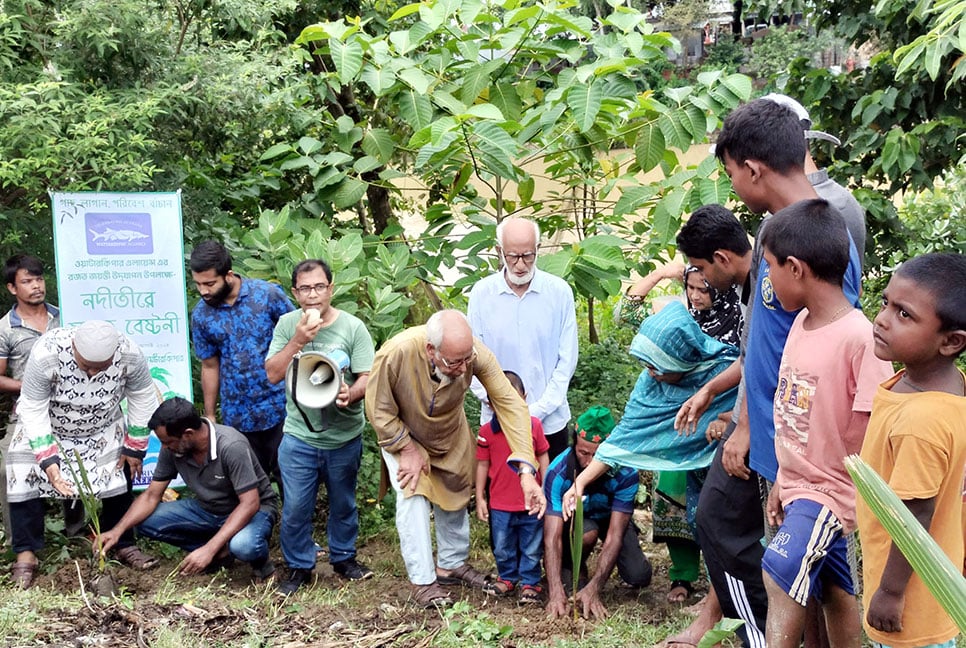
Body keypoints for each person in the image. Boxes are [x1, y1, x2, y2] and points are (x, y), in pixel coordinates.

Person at [693, 96, 866, 647]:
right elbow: (766, 344)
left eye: (729, 175)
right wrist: (747, 421)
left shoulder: (823, 236)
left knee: (802, 578)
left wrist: (795, 453)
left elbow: (835, 357)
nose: (732, 187)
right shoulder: (773, 231)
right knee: (810, 583)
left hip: (811, 455)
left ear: (751, 169)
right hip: (780, 447)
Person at [758, 200, 893, 648]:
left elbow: (873, 426)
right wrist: (784, 478)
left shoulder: (859, 337)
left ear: (795, 268)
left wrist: (853, 498)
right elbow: (794, 415)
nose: (768, 280)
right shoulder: (800, 323)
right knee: (838, 591)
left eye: (770, 268)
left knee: (780, 570)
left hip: (831, 493)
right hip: (801, 486)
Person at [365, 309, 544, 608]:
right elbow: (378, 409)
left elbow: (511, 404)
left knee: (456, 488)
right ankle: (422, 581)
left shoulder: (475, 355)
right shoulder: (396, 353)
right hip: (403, 434)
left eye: (466, 360)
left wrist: (526, 469)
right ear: (430, 350)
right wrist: (407, 449)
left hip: (450, 430)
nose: (463, 369)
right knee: (413, 497)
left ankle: (450, 564)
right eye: (454, 362)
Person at [566, 301, 739, 603]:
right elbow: (623, 438)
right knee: (687, 518)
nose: (650, 373)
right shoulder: (649, 386)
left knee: (721, 527)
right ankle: (699, 588)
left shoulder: (724, 371)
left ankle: (723, 599)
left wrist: (725, 422)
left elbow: (752, 408)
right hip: (682, 469)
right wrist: (580, 482)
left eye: (657, 367)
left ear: (681, 360)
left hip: (724, 466)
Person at [857, 252, 966, 648]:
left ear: (951, 342)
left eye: (905, 314)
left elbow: (915, 512)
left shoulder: (923, 422)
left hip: (913, 607)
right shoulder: (933, 384)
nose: (883, 318)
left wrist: (890, 592)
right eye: (886, 303)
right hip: (925, 584)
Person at [6, 320, 161, 588]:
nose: (91, 372)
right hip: (49, 426)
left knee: (121, 470)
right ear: (74, 346)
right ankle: (26, 553)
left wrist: (135, 446)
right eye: (86, 365)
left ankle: (123, 543)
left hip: (102, 427)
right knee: (21, 471)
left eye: (99, 368)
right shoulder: (46, 353)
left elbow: (143, 396)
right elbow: (32, 407)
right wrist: (47, 458)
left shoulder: (130, 354)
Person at [265, 259, 375, 595]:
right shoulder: (286, 325)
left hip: (343, 435)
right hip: (299, 435)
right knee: (297, 505)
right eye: (305, 289)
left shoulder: (353, 327)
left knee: (344, 502)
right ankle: (299, 565)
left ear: (331, 288)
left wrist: (351, 393)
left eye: (319, 287)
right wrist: (297, 340)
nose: (313, 295)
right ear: (295, 292)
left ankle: (343, 557)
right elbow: (272, 373)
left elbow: (368, 377)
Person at [95, 397, 279, 582]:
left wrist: (209, 548)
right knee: (144, 519)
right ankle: (220, 554)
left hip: (254, 510)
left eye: (168, 442)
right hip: (209, 509)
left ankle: (261, 566)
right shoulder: (173, 448)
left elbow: (250, 503)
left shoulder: (231, 446)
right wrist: (117, 531)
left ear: (188, 434)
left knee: (244, 545)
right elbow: (151, 495)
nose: (164, 447)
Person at [467, 217, 578, 459]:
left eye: (528, 256)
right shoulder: (482, 294)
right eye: (512, 256)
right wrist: (499, 403)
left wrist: (538, 410)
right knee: (501, 492)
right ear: (499, 251)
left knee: (551, 492)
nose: (520, 265)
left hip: (550, 422)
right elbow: (471, 358)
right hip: (497, 421)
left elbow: (567, 360)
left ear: (538, 249)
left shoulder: (559, 293)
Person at [189, 240, 294, 481]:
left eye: (209, 283)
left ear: (228, 275)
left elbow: (296, 334)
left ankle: (292, 520)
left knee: (289, 479)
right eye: (198, 284)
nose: (203, 290)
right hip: (238, 415)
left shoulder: (267, 296)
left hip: (281, 408)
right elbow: (209, 365)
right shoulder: (202, 315)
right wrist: (210, 415)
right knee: (249, 484)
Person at [546, 406, 652, 620]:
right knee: (587, 534)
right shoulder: (558, 472)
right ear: (574, 443)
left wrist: (596, 587)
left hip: (611, 519)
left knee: (639, 576)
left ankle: (590, 583)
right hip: (578, 521)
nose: (589, 462)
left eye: (597, 455)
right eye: (583, 453)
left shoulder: (626, 472)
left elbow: (615, 536)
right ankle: (571, 566)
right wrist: (554, 591)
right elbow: (552, 536)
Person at [0, 255, 62, 543]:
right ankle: (22, 546)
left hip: (69, 409)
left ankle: (79, 534)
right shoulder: (5, 328)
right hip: (26, 412)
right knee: (7, 471)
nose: (36, 286)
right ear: (13, 288)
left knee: (86, 461)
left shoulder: (63, 317)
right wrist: (26, 385)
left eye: (39, 279)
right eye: (27, 281)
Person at [475, 370, 550, 604]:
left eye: (513, 399)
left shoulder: (534, 426)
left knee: (531, 545)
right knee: (502, 544)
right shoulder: (487, 432)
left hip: (530, 503)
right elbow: (482, 465)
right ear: (490, 403)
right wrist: (479, 497)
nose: (506, 406)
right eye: (499, 401)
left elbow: (543, 457)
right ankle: (507, 577)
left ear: (524, 398)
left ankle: (530, 582)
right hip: (500, 503)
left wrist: (546, 489)